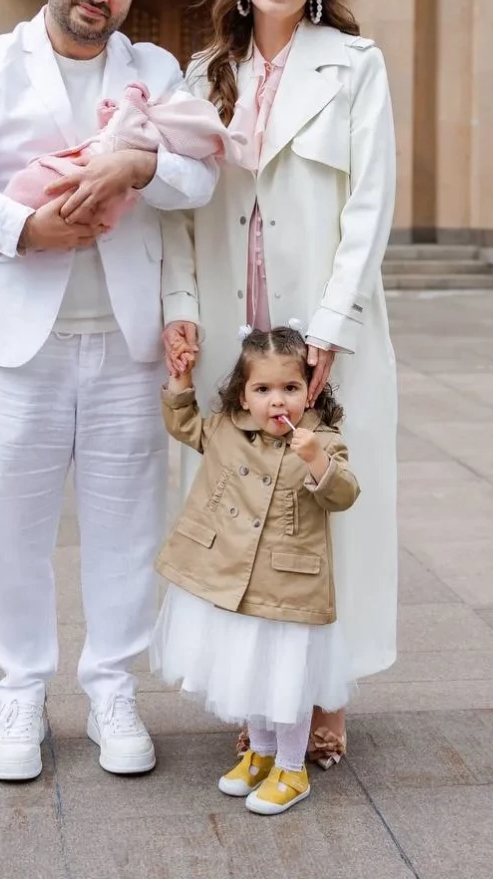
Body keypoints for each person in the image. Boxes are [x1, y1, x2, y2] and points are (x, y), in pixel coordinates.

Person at [0, 0, 218, 782]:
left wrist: (140, 165)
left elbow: (201, 175)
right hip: (20, 343)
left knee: (129, 524)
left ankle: (113, 687)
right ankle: (19, 691)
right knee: (11, 524)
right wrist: (22, 228)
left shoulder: (154, 69)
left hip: (127, 341)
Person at [161, 0, 398, 767]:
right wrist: (180, 305)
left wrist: (332, 325)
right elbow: (175, 210)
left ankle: (326, 692)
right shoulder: (202, 73)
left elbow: (370, 201)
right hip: (233, 333)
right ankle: (259, 690)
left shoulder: (356, 66)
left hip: (322, 328)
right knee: (238, 508)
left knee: (322, 502)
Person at [151, 325, 360, 815]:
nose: (277, 401)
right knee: (250, 670)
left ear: (310, 390)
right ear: (243, 395)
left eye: (290, 387)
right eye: (262, 389)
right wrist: (180, 379)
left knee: (285, 678)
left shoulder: (322, 439)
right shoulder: (227, 429)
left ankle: (291, 768)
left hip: (289, 586)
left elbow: (344, 493)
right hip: (233, 580)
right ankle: (261, 754)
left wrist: (316, 459)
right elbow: (185, 425)